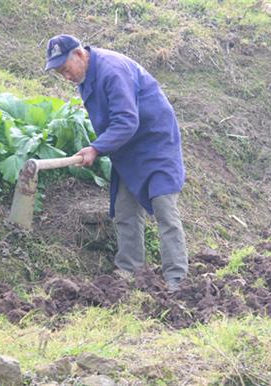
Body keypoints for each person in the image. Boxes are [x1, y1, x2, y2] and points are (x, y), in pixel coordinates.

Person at [44, 34, 188, 291]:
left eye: (65, 69)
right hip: (126, 146)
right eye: (59, 73)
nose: (66, 76)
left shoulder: (111, 70)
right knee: (124, 209)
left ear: (79, 54)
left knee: (164, 208)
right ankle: (129, 270)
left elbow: (126, 120)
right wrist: (101, 146)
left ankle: (176, 279)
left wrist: (96, 148)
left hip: (154, 142)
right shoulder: (86, 77)